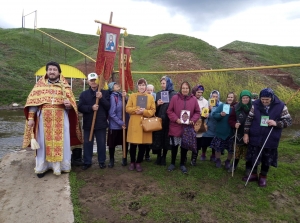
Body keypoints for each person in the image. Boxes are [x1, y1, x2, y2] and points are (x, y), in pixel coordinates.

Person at [22, 61, 83, 178]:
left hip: (61, 118)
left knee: (62, 143)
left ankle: (60, 166)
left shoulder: (65, 87)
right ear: (47, 72)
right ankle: (42, 167)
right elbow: (33, 103)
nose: (52, 71)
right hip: (43, 119)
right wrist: (30, 118)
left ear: (59, 72)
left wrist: (68, 104)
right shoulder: (39, 86)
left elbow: (72, 105)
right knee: (43, 143)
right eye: (50, 69)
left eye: (54, 69)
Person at [242, 88, 292, 187]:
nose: (264, 101)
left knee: (267, 158)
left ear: (272, 98)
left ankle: (263, 176)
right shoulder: (255, 104)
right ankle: (253, 174)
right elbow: (249, 119)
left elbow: (289, 121)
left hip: (271, 137)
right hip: (255, 135)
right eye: (262, 99)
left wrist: (276, 123)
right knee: (254, 156)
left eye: (267, 100)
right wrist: (246, 133)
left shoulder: (281, 106)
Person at [78, 72, 110, 170]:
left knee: (101, 143)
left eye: (95, 80)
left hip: (101, 123)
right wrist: (91, 108)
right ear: (88, 82)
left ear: (98, 81)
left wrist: (101, 98)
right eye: (91, 80)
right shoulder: (84, 94)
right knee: (88, 143)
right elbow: (80, 107)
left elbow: (108, 106)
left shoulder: (104, 93)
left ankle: (101, 161)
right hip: (88, 123)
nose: (93, 82)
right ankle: (87, 161)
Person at [167, 81, 200, 174]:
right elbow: (169, 111)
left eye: (186, 88)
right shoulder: (174, 98)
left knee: (184, 146)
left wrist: (192, 120)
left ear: (189, 89)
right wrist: (176, 119)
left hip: (187, 128)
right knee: (174, 146)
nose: (185, 90)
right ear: (180, 89)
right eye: (183, 88)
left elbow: (198, 112)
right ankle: (172, 163)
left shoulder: (193, 99)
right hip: (176, 126)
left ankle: (182, 164)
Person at [126, 78, 156, 172]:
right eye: (140, 85)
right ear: (137, 86)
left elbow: (153, 110)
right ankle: (132, 162)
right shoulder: (132, 96)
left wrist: (144, 112)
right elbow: (127, 108)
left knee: (142, 145)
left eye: (143, 85)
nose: (141, 87)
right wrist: (136, 110)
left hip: (145, 123)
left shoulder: (150, 97)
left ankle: (139, 162)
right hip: (134, 123)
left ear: (145, 87)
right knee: (133, 144)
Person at [152, 76, 177, 165]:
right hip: (159, 120)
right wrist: (157, 104)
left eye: (164, 83)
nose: (162, 85)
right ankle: (158, 156)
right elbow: (154, 109)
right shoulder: (159, 94)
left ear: (168, 83)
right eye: (161, 83)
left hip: (169, 121)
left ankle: (164, 157)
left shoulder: (174, 94)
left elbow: (176, 107)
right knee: (158, 139)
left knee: (166, 140)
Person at [228, 90, 252, 172]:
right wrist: (234, 124)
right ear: (241, 98)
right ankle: (234, 165)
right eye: (243, 98)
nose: (245, 99)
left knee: (248, 152)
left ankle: (248, 168)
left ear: (250, 98)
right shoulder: (236, 107)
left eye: (247, 98)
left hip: (250, 133)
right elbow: (231, 119)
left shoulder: (253, 107)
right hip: (238, 133)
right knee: (237, 151)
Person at [211, 92, 237, 168]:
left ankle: (228, 161)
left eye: (231, 97)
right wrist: (220, 115)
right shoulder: (222, 106)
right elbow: (214, 115)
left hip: (231, 132)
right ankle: (218, 159)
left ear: (234, 98)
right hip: (221, 131)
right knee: (218, 147)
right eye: (228, 97)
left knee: (230, 149)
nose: (229, 98)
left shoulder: (237, 107)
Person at [107, 82, 129, 167]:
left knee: (125, 143)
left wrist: (126, 97)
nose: (118, 85)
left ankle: (124, 158)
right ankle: (111, 160)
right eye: (115, 85)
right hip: (115, 126)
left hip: (124, 124)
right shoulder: (113, 97)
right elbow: (112, 113)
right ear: (112, 88)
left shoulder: (121, 95)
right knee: (112, 144)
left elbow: (128, 106)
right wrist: (121, 123)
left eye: (118, 84)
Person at [201, 90, 222, 161]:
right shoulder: (207, 103)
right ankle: (203, 153)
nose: (215, 98)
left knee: (214, 141)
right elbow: (203, 115)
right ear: (211, 97)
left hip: (216, 126)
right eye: (213, 96)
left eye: (216, 96)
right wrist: (209, 110)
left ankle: (213, 155)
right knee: (205, 141)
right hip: (208, 126)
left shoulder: (221, 105)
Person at [190, 85, 209, 166]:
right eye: (198, 92)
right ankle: (184, 157)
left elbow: (205, 112)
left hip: (199, 123)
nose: (199, 94)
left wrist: (205, 114)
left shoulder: (205, 101)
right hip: (190, 122)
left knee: (197, 142)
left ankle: (194, 158)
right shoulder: (190, 99)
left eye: (201, 92)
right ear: (194, 91)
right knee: (188, 140)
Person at [144, 84, 156, 161]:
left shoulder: (154, 98)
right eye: (148, 90)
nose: (149, 91)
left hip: (151, 121)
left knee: (149, 139)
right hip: (143, 119)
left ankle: (147, 154)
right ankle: (142, 154)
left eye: (151, 90)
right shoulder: (143, 97)